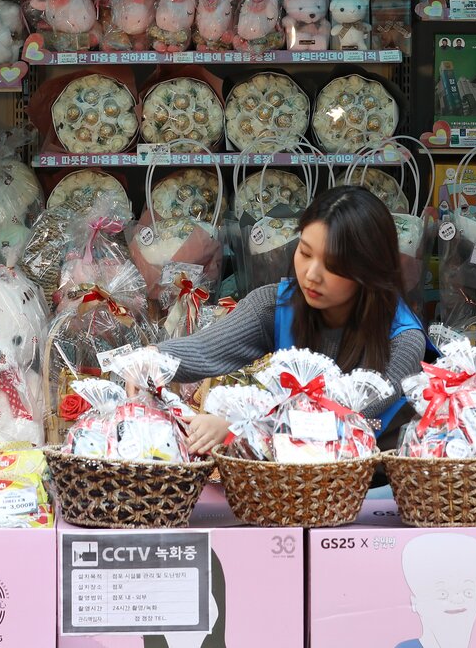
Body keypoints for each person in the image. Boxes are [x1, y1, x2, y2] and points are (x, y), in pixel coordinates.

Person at [162, 185, 429, 454]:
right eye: (305, 252)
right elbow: (206, 349)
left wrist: (238, 423)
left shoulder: (403, 339)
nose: (311, 274)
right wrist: (150, 360)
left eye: (333, 265)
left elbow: (340, 421)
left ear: (370, 269)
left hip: (373, 484)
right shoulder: (275, 305)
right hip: (293, 477)